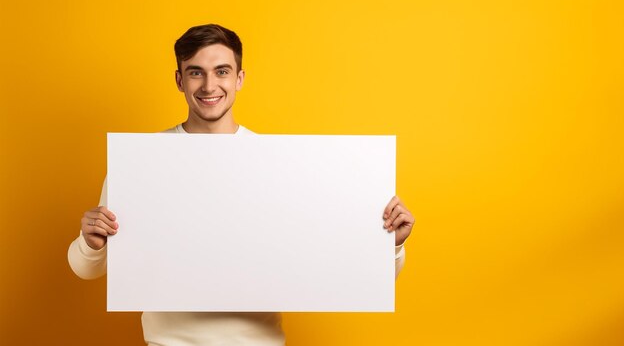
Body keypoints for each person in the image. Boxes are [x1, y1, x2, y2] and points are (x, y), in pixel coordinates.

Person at [67, 24, 415, 346]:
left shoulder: (278, 162)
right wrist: (90, 243)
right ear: (179, 80)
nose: (208, 86)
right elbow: (87, 269)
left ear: (239, 78)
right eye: (195, 73)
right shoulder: (141, 161)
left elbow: (337, 262)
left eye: (222, 71)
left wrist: (390, 245)